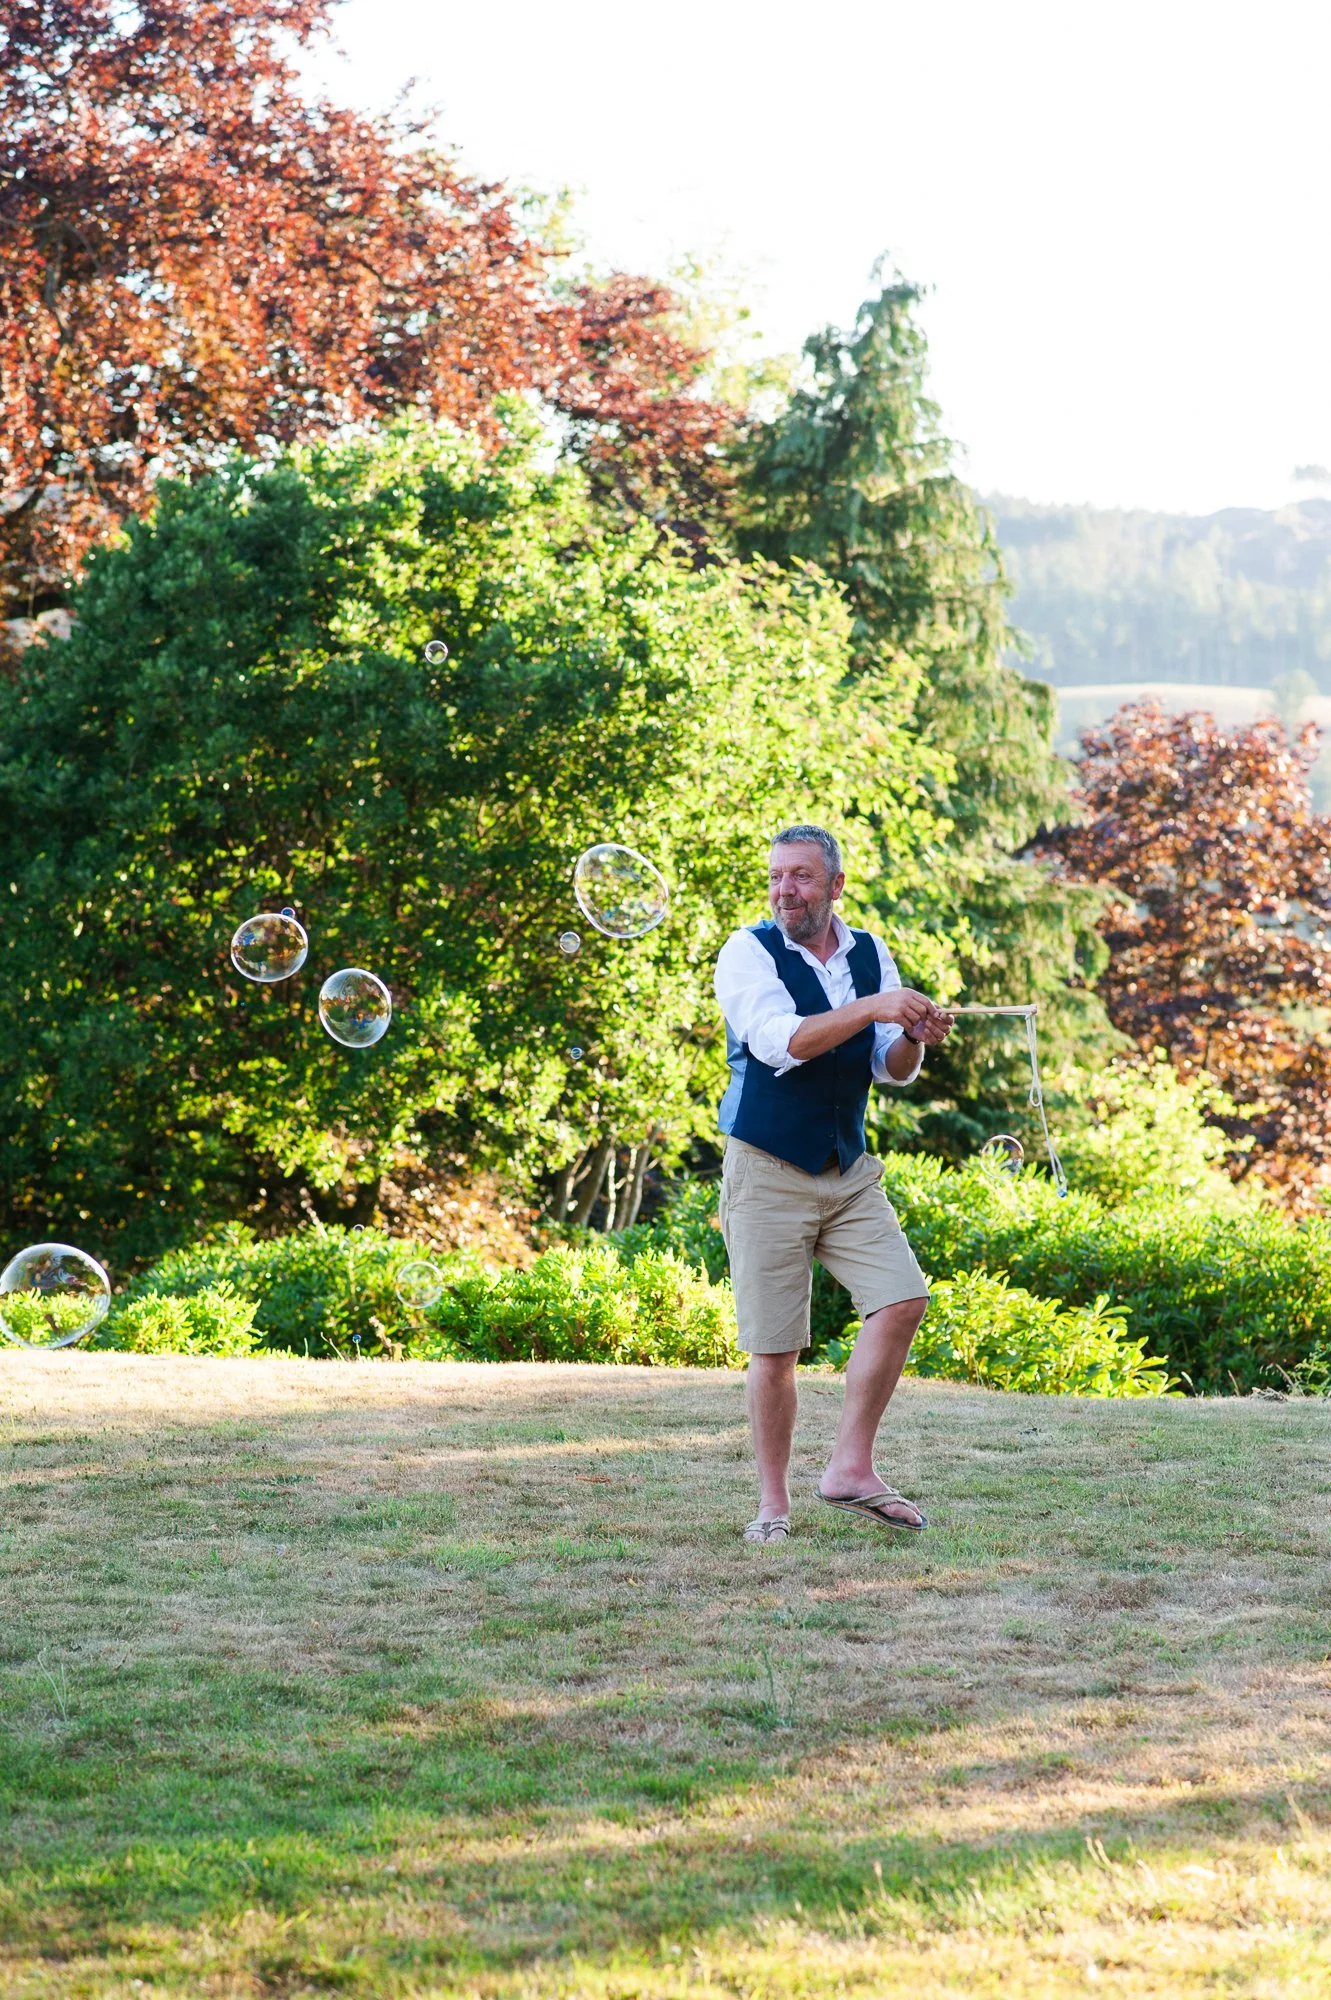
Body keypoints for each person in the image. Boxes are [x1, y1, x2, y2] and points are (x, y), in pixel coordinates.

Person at [713, 824, 953, 1545]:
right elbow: (778, 1042)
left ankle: (849, 1469)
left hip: (846, 1167)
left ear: (835, 886)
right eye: (777, 877)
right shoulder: (745, 951)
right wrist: (876, 1009)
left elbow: (891, 1067)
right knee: (775, 1348)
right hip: (766, 1167)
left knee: (903, 1297)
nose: (785, 890)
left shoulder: (869, 952)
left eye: (802, 877)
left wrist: (913, 1034)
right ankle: (771, 1506)